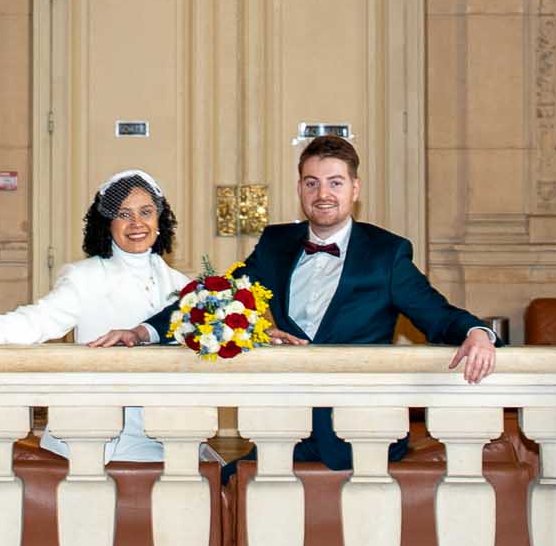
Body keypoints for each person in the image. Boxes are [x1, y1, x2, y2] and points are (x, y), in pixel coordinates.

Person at [99, 135, 494, 469]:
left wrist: (476, 332)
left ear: (355, 190)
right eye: (311, 183)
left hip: (361, 434)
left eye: (335, 183)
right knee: (225, 484)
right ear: (300, 188)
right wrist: (142, 330)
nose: (323, 195)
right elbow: (215, 298)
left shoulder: (386, 253)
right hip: (285, 427)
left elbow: (436, 315)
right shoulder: (276, 243)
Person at [0, 168, 191, 461]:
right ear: (107, 223)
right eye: (124, 214)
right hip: (103, 433)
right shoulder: (85, 277)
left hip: (167, 428)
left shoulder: (182, 286)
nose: (136, 223)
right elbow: (33, 322)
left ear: (159, 219)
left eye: (146, 212)